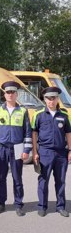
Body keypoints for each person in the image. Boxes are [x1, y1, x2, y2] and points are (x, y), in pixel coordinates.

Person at [0, 81, 32, 217]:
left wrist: (26, 150)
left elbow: (27, 132)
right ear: (4, 94)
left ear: (17, 94)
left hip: (17, 147)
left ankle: (18, 204)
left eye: (13, 92)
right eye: (8, 92)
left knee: (17, 178)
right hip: (1, 148)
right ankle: (1, 204)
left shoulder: (23, 111)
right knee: (1, 177)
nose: (10, 94)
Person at [32, 87, 71, 217]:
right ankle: (42, 206)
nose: (51, 101)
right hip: (45, 152)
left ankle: (60, 206)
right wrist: (35, 151)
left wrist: (70, 150)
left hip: (61, 153)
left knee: (60, 180)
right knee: (43, 180)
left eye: (53, 98)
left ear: (57, 99)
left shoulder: (64, 116)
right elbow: (34, 133)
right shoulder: (39, 115)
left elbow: (69, 134)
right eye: (48, 98)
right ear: (45, 99)